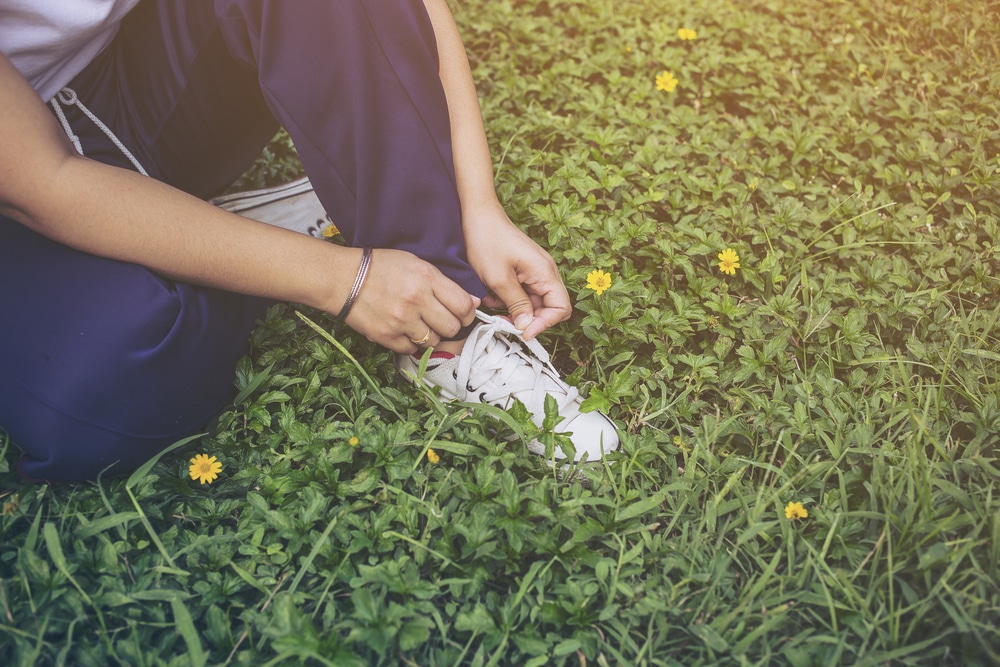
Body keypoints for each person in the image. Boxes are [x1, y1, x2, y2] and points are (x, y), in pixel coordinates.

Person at [0, 0, 618, 483]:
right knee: (104, 392)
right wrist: (342, 280)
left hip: (125, 83)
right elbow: (42, 184)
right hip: (19, 183)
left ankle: (447, 330)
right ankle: (242, 240)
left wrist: (475, 203)